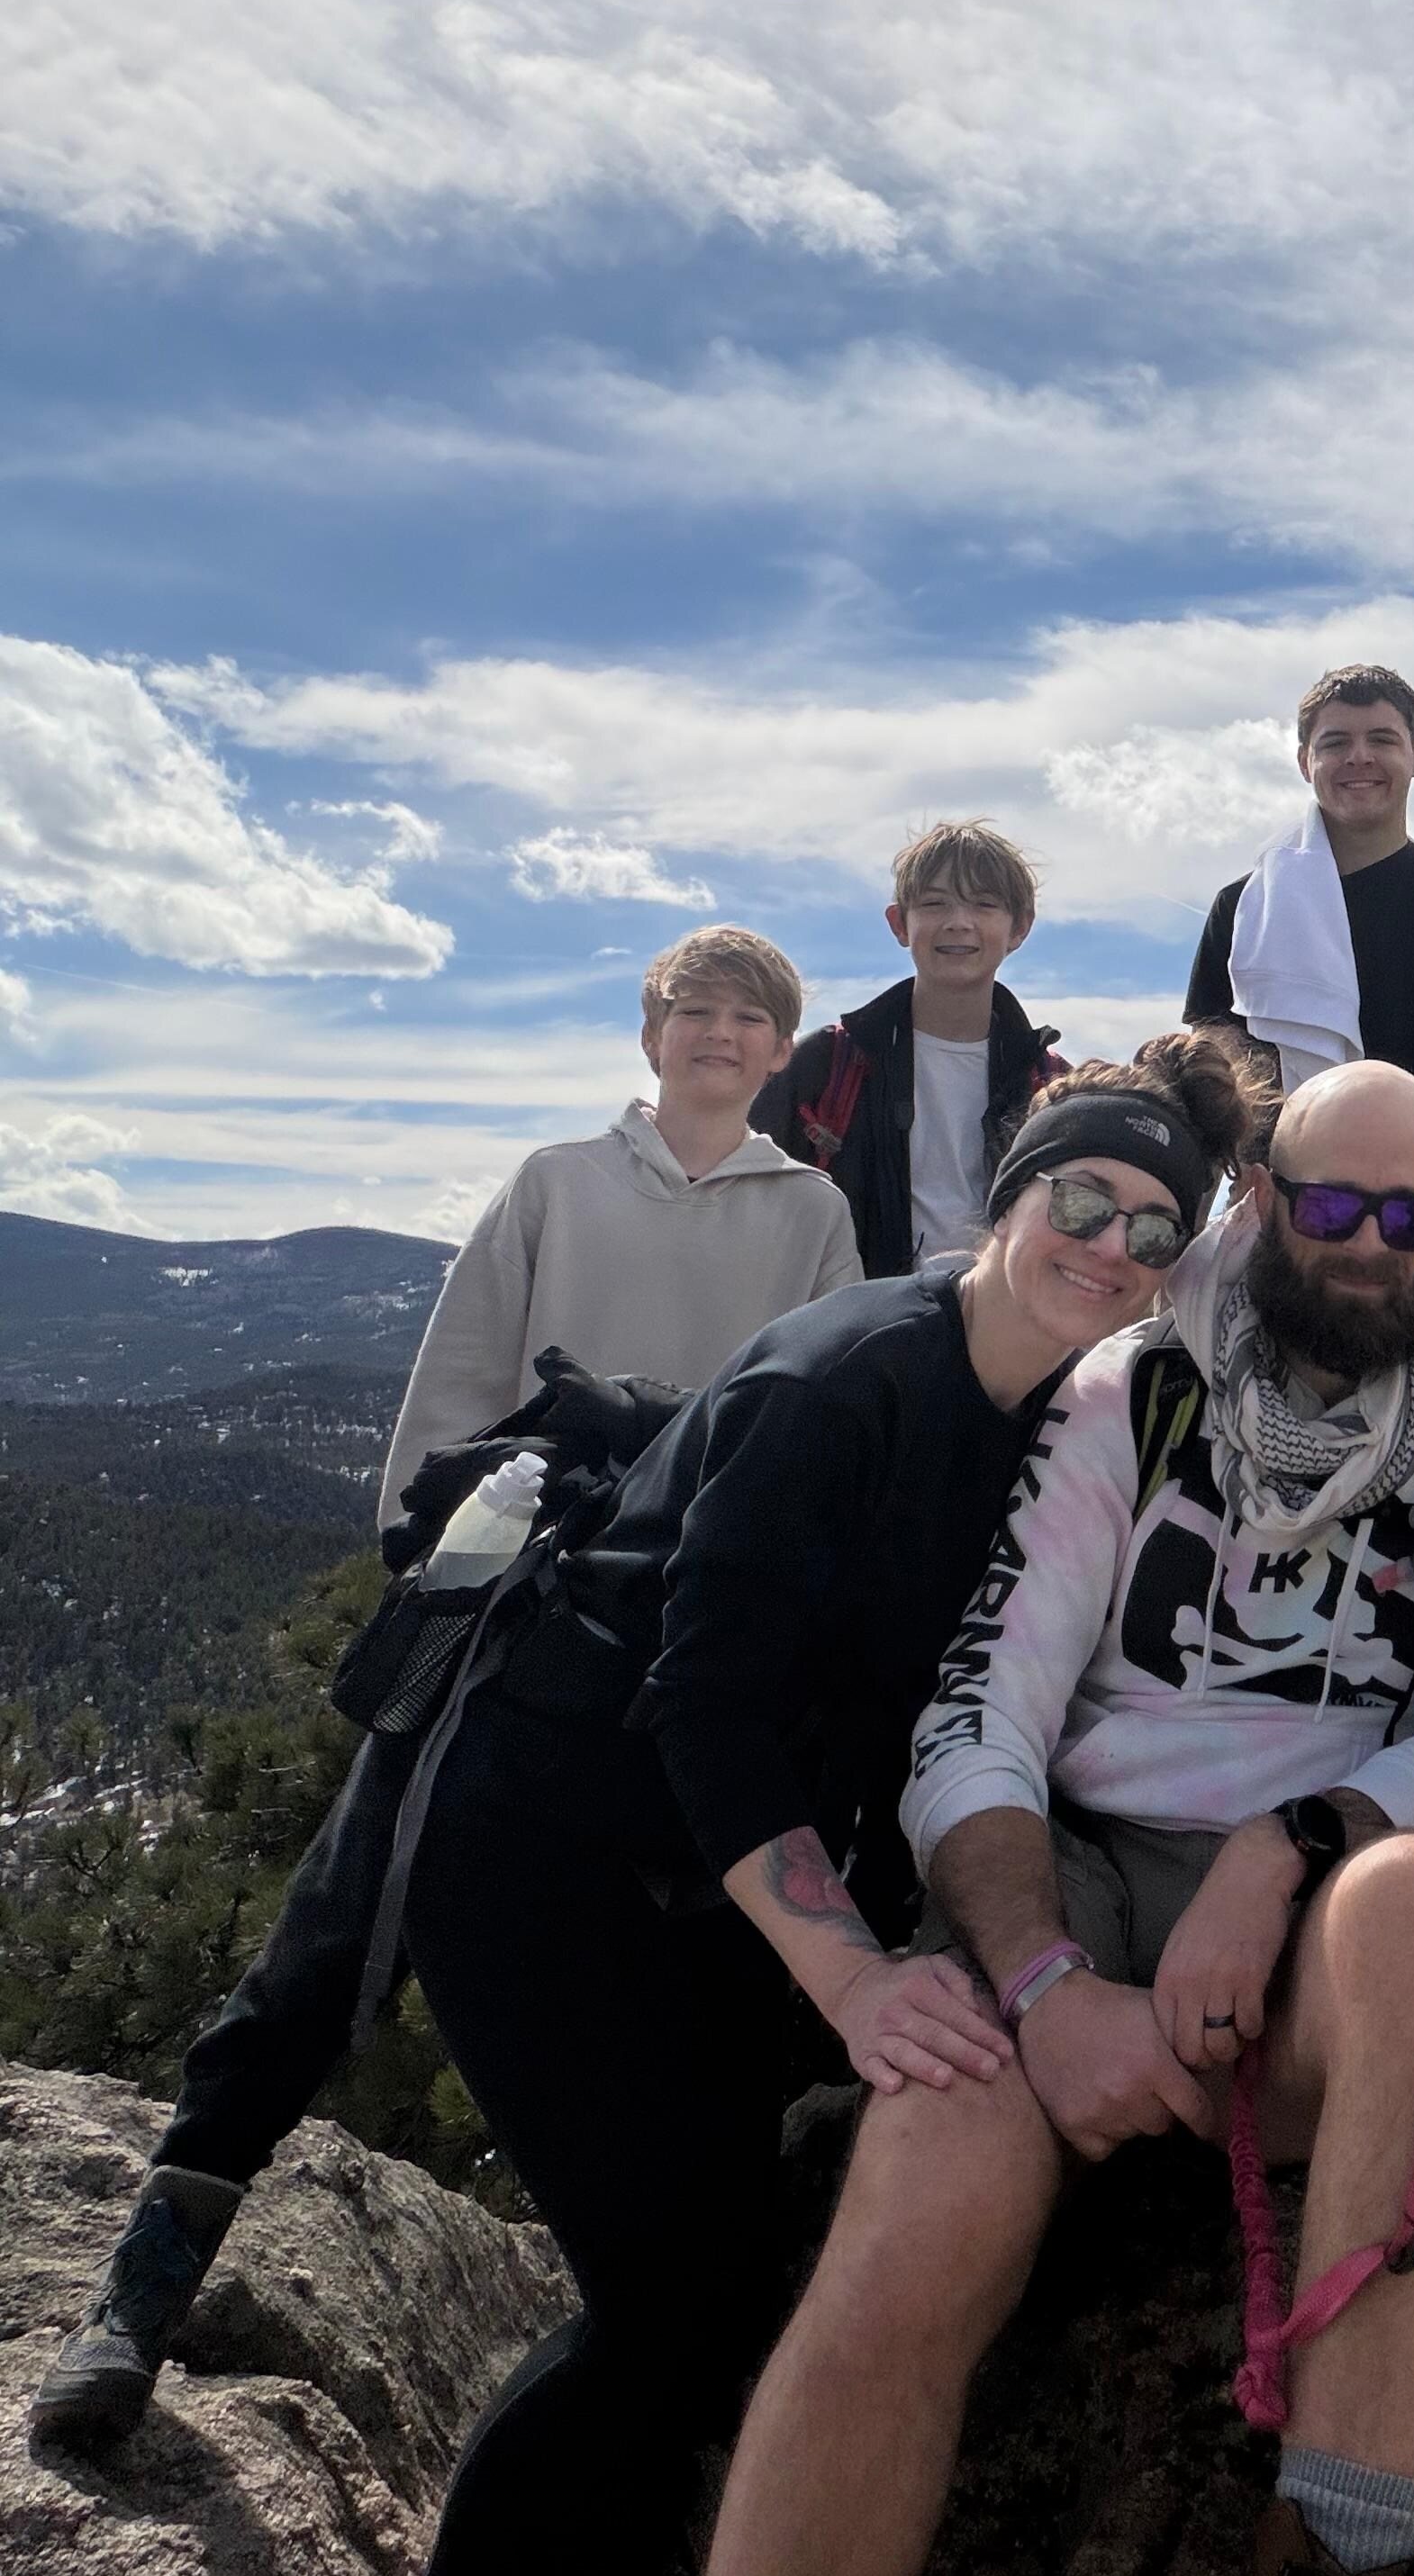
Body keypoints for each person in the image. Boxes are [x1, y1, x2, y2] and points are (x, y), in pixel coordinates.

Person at [274, 1036, 1266, 2576]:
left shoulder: (1060, 1414)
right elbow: (706, 1706)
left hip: (717, 1880)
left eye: (1154, 1223)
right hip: (548, 1861)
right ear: (1005, 1201)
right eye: (1083, 1201)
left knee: (711, 2305)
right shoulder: (852, 1382)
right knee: (668, 2297)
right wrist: (859, 1978)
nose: (1116, 1245)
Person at [627, 1058, 1414, 2576]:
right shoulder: (1137, 1394)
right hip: (1086, 1883)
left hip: (1317, 1915)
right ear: (1261, 1198)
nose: (1367, 1248)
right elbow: (985, 1720)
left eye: (1409, 1217)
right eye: (1331, 1203)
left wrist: (1281, 1853)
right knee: (929, 2176)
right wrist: (1042, 1989)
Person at [32, 924, 858, 2464]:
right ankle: (135, 2298)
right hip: (509, 1625)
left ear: (781, 1048)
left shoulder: (812, 1217)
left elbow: (815, 1438)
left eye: (750, 1016)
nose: (720, 1034)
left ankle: (688, 2375)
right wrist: (476, 1543)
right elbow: (449, 1408)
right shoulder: (555, 1183)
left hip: (685, 1649)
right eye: (696, 1009)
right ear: (650, 1031)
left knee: (703, 1993)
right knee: (328, 1945)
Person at [1184, 662, 1414, 1255]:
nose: (1359, 758)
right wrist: (1186, 1250)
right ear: (1305, 762)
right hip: (1279, 1230)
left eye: (1382, 740)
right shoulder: (1245, 909)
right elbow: (1206, 1100)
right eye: (1335, 743)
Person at [755, 819, 1064, 1275]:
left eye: (984, 905)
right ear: (900, 923)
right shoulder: (828, 1063)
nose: (959, 923)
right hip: (856, 1322)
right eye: (935, 904)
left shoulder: (1052, 1085)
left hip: (1007, 1327)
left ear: (1020, 928)